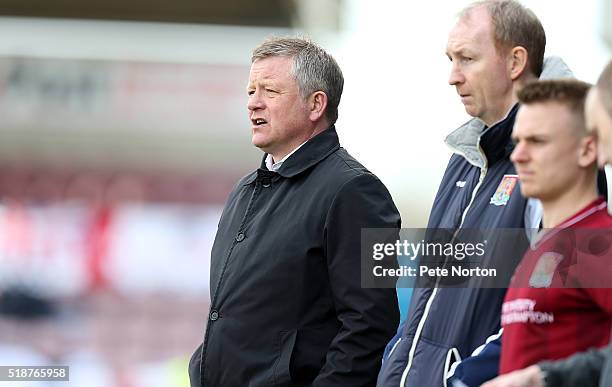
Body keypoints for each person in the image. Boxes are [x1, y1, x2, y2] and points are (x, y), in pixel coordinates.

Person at [376, 1, 574, 386]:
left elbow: (552, 307)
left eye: (466, 58)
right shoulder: (462, 160)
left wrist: (461, 379)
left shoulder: (559, 158)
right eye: (451, 59)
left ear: (516, 62)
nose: (452, 76)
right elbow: (424, 304)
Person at [187, 37, 401, 387]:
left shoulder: (356, 192)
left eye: (269, 91)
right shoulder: (245, 190)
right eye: (250, 91)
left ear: (316, 104)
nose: (253, 103)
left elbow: (370, 325)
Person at [480, 62, 612, 387]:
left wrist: (543, 379)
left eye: (537, 141)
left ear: (587, 150)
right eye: (517, 141)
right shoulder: (544, 244)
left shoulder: (600, 243)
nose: (518, 155)